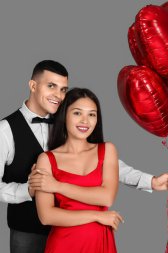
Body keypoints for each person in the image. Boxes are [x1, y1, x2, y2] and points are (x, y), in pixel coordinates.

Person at [0, 60, 168, 253]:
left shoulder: (70, 118)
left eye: (63, 89)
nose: (58, 95)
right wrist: (29, 190)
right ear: (33, 85)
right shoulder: (3, 131)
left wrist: (150, 181)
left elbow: (99, 162)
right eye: (51, 86)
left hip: (76, 232)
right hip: (29, 232)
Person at [36, 87, 121, 252]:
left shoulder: (107, 150)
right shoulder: (46, 160)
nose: (85, 121)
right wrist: (96, 216)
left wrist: (58, 186)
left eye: (92, 114)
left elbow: (106, 197)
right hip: (63, 245)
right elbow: (47, 216)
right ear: (64, 116)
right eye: (77, 113)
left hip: (100, 244)